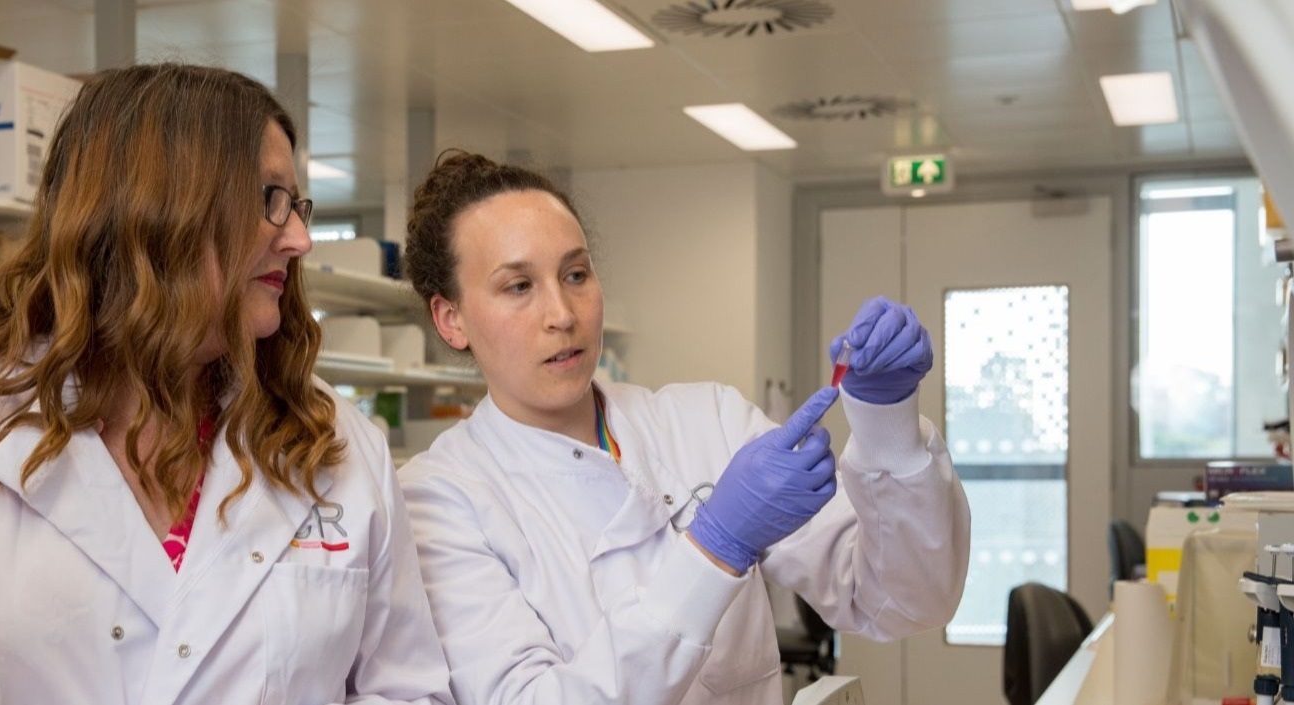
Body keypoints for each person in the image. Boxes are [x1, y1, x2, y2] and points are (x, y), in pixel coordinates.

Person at [0, 63, 454, 705]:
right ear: (158, 213)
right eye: (271, 199)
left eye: (297, 205)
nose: (298, 238)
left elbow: (407, 688)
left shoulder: (339, 445)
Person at [396, 151, 970, 705]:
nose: (563, 314)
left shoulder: (708, 422)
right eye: (518, 286)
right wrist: (713, 549)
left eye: (576, 274)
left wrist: (887, 422)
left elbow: (905, 601)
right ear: (451, 320)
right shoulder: (440, 498)